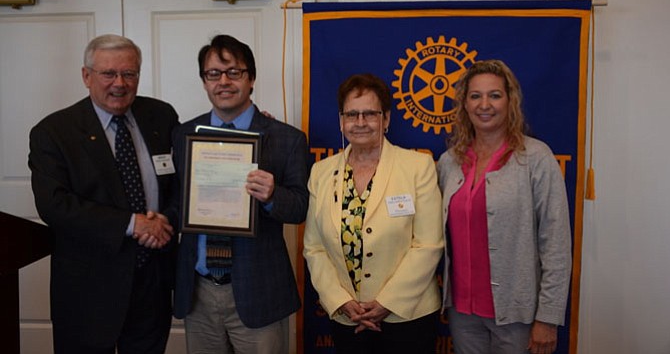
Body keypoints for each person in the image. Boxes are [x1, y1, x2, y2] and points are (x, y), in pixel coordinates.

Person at [28, 34, 179, 354]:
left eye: (129, 74)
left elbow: (184, 182)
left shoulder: (161, 116)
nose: (120, 83)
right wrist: (131, 224)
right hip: (89, 291)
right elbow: (55, 205)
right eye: (109, 74)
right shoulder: (54, 132)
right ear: (86, 76)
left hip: (152, 282)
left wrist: (164, 220)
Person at [172, 34, 309, 354]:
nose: (224, 81)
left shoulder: (287, 139)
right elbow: (178, 202)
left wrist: (273, 194)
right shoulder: (183, 135)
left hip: (258, 290)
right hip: (198, 291)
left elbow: (301, 208)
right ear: (204, 82)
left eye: (234, 72)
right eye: (214, 74)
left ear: (251, 79)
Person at [437, 60, 572, 354]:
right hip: (462, 313)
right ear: (464, 104)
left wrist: (547, 318)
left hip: (517, 316)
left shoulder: (536, 158)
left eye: (495, 95)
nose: (484, 104)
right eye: (475, 96)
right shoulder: (449, 162)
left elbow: (556, 245)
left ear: (510, 101)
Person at [303, 73, 444, 353]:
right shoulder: (321, 172)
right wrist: (339, 300)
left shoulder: (418, 167)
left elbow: (428, 244)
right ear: (341, 121)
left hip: (408, 316)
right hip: (348, 317)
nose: (360, 122)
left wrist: (385, 304)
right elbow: (314, 248)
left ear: (386, 119)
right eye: (352, 114)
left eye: (370, 113)